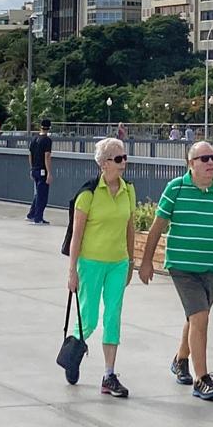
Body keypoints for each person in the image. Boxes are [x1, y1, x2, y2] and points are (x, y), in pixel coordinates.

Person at [136, 140, 213, 399]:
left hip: (212, 267)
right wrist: (145, 262)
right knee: (200, 316)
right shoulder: (176, 188)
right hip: (183, 266)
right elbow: (157, 227)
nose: (211, 162)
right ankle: (202, 379)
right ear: (191, 163)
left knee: (195, 317)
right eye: (205, 158)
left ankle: (180, 359)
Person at [65, 137, 136, 398]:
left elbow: (130, 227)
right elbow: (76, 235)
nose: (123, 163)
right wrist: (72, 270)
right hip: (91, 262)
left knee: (113, 316)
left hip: (117, 262)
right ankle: (73, 355)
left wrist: (131, 261)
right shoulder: (88, 194)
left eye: (125, 157)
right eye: (118, 159)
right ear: (104, 164)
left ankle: (109, 374)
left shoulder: (129, 190)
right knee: (90, 316)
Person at [26, 120, 55, 224]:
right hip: (43, 171)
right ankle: (38, 218)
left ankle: (31, 214)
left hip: (35, 169)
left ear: (40, 127)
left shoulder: (34, 138)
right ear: (49, 128)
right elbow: (47, 156)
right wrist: (49, 173)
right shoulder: (47, 140)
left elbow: (30, 154)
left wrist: (32, 168)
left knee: (37, 193)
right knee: (42, 195)